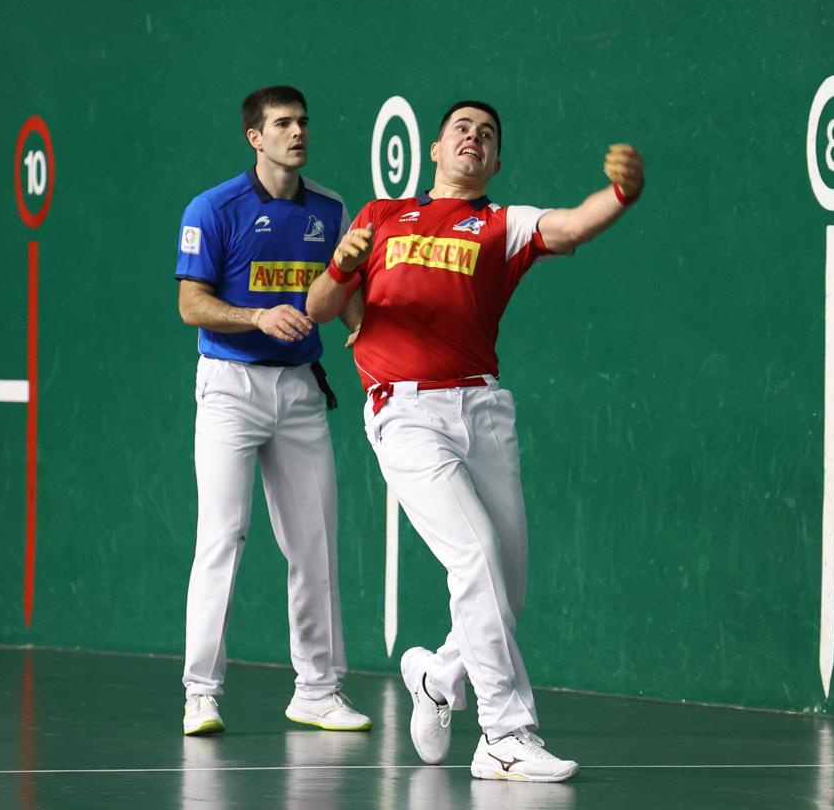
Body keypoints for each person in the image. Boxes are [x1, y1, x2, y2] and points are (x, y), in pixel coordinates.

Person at [306, 100, 644, 781]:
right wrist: (343, 267)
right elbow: (318, 309)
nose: (473, 137)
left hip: (483, 409)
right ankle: (504, 735)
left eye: (487, 135)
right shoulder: (379, 216)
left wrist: (619, 195)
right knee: (477, 556)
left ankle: (437, 675)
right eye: (461, 128)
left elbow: (573, 226)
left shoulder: (501, 224)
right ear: (435, 150)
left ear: (496, 162)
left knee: (506, 584)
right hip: (405, 414)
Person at [174, 85, 369, 736]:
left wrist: (360, 326)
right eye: (282, 124)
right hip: (230, 387)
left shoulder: (330, 209)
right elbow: (191, 304)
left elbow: (342, 292)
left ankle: (318, 690)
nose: (298, 132)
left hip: (301, 391)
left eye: (304, 122)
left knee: (315, 543)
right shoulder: (213, 208)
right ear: (255, 137)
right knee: (222, 538)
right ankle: (200, 693)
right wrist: (257, 314)